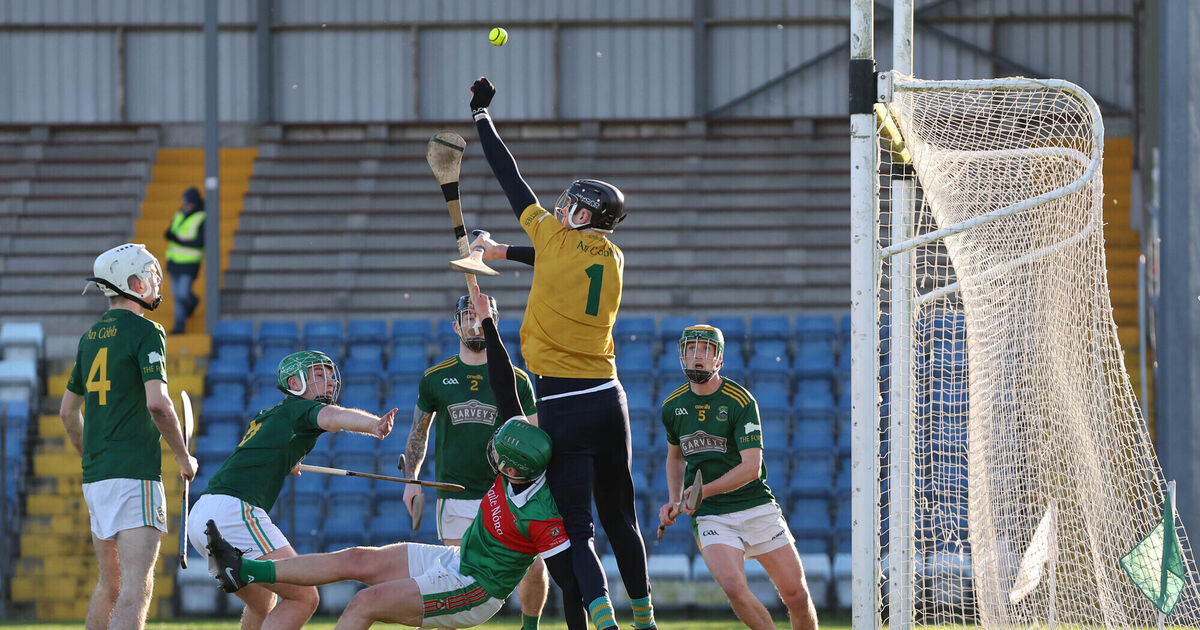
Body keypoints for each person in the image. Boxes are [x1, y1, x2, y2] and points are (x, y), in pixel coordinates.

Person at [204, 291, 570, 630]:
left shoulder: (535, 504)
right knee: (357, 558)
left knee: (365, 602)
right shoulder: (507, 473)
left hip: (476, 585)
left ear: (510, 463)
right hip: (459, 557)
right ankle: (245, 569)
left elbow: (571, 571)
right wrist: (412, 478)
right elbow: (491, 400)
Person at [468, 76, 655, 630]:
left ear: (584, 215)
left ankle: (603, 622)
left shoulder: (552, 238)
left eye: (572, 205)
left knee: (578, 526)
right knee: (623, 517)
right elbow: (555, 261)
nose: (562, 207)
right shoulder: (612, 256)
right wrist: (501, 250)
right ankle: (645, 618)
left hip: (563, 403)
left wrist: (482, 117)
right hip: (609, 396)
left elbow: (511, 177)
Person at [185, 350, 396, 630]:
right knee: (304, 597)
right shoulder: (301, 409)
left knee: (262, 603)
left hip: (202, 514)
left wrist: (288, 460)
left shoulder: (270, 415)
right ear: (295, 384)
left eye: (331, 375)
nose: (331, 381)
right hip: (234, 512)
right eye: (320, 375)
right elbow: (334, 416)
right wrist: (374, 425)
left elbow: (263, 452)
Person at [58, 243, 199, 630]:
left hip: (97, 477)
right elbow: (158, 404)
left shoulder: (89, 339)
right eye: (151, 275)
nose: (156, 282)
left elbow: (67, 412)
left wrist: (94, 457)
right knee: (137, 588)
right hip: (134, 475)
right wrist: (183, 456)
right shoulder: (147, 331)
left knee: (110, 583)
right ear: (133, 283)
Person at [658, 325, 820, 630]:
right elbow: (676, 456)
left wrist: (703, 491)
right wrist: (675, 498)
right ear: (682, 354)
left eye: (705, 350)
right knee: (734, 588)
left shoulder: (740, 401)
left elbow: (751, 468)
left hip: (755, 504)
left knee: (796, 594)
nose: (697, 357)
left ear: (719, 359)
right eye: (691, 349)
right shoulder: (672, 407)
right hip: (711, 516)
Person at [402, 294, 548, 630]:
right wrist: (412, 480)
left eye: (479, 316)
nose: (473, 323)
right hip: (455, 496)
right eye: (465, 317)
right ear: (455, 325)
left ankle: (530, 627)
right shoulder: (436, 378)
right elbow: (417, 434)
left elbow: (538, 437)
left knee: (533, 567)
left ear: (493, 323)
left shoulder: (517, 380)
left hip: (508, 494)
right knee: (458, 580)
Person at [163, 186, 205, 334]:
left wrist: (178, 240)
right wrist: (169, 234)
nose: (186, 206)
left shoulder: (202, 217)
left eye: (189, 203)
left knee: (183, 294)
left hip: (190, 262)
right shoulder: (180, 214)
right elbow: (172, 231)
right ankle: (179, 325)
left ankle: (193, 302)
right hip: (174, 260)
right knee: (177, 296)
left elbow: (200, 241)